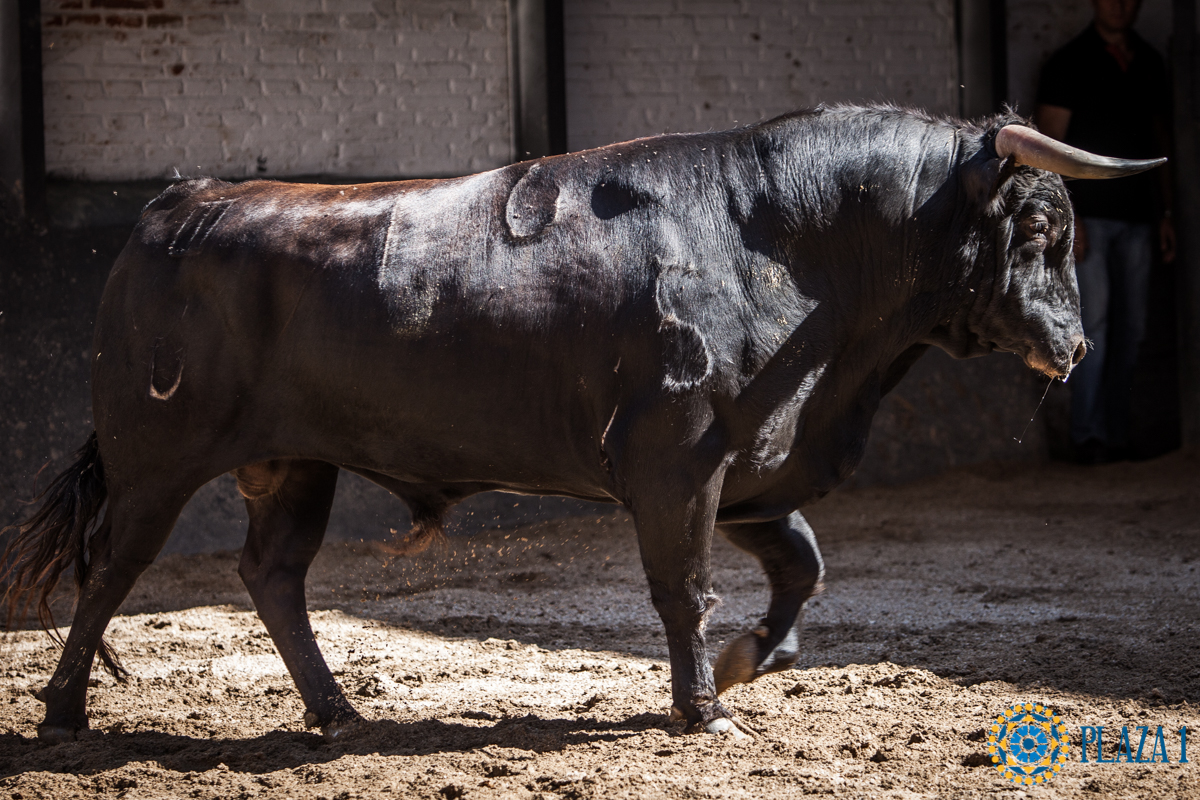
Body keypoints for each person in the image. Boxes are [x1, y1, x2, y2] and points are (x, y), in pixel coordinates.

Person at [1035, 0, 1175, 464]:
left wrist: (1166, 213)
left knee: (1132, 329)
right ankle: (1087, 437)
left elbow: (1161, 142)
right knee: (1092, 327)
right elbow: (1049, 151)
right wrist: (1068, 219)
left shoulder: (1150, 61)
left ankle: (1118, 435)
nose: (1119, 5)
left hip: (1140, 219)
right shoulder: (1068, 62)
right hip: (1089, 221)